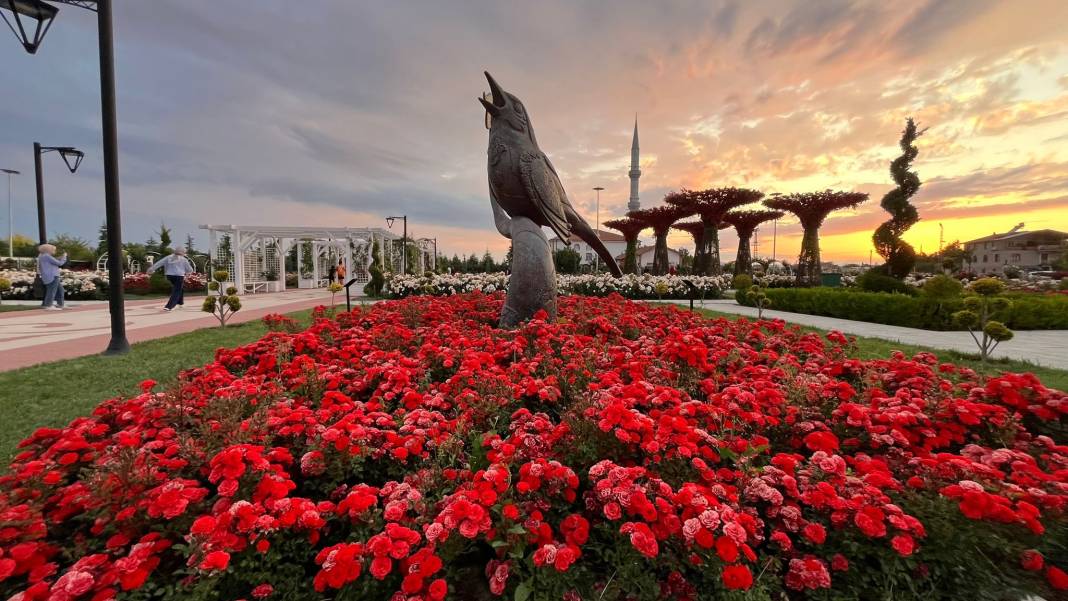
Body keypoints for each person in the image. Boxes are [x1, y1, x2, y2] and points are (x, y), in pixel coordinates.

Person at [148, 246, 195, 312]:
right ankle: (169, 306)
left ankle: (180, 303)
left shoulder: (168, 257)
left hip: (169, 276)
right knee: (177, 291)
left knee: (180, 288)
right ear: (183, 253)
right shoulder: (184, 259)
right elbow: (190, 270)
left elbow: (159, 263)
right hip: (179, 276)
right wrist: (188, 273)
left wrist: (151, 269)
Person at [37, 244, 68, 311]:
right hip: (52, 276)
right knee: (52, 291)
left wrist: (59, 258)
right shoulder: (47, 256)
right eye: (53, 249)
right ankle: (49, 305)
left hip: (50, 275)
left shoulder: (42, 256)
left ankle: (60, 304)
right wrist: (64, 257)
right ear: (48, 250)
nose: (54, 251)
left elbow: (53, 261)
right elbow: (59, 263)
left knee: (60, 290)